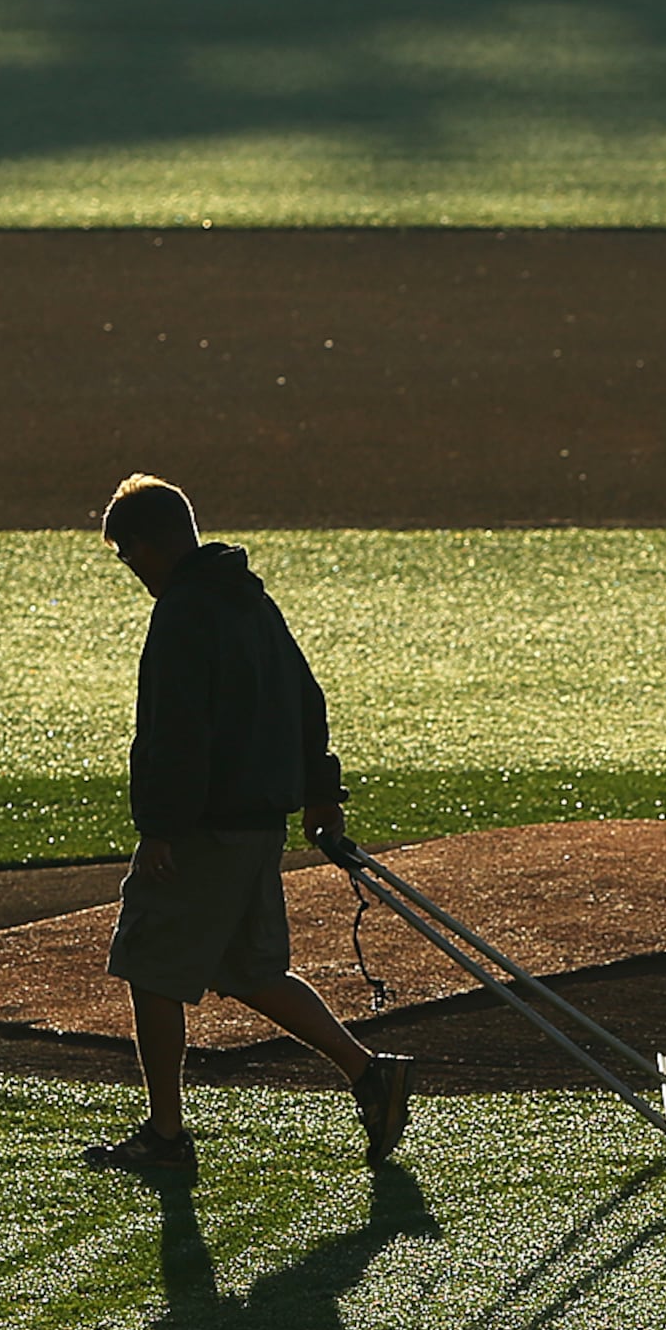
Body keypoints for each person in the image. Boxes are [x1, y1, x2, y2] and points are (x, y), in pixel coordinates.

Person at [80, 474, 410, 1183]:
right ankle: (369, 1075)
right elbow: (305, 696)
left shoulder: (183, 613)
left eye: (128, 557)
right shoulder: (250, 599)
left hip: (207, 827)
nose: (132, 572)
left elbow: (172, 735)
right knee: (250, 970)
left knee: (149, 965)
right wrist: (320, 794)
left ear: (147, 545)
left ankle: (165, 1137)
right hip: (259, 823)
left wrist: (159, 829)